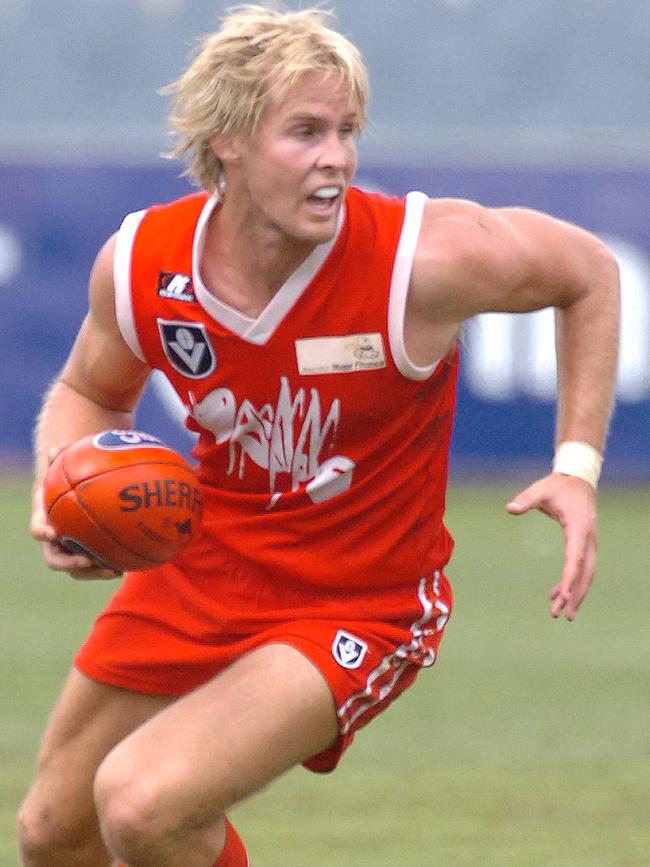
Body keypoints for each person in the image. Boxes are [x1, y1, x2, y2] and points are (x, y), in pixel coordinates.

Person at [17, 5, 620, 867]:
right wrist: (65, 489)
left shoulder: (422, 259)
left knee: (143, 802)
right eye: (304, 131)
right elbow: (86, 390)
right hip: (209, 563)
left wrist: (577, 465)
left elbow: (589, 273)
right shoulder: (144, 262)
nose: (336, 156)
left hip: (359, 601)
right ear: (227, 140)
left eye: (346, 130)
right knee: (52, 832)